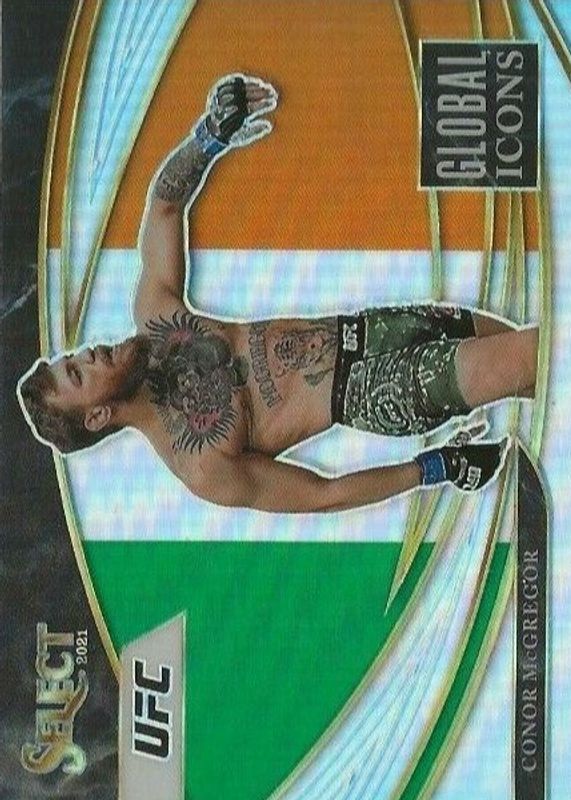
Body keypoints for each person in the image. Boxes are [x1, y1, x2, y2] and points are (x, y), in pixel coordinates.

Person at [18, 74, 537, 513]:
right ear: (98, 416)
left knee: (540, 363)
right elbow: (321, 494)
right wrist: (435, 467)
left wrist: (208, 137)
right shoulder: (200, 466)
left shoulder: (156, 318)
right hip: (370, 391)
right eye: (78, 374)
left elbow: (164, 207)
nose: (88, 353)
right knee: (534, 356)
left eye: (72, 357)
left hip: (374, 325)